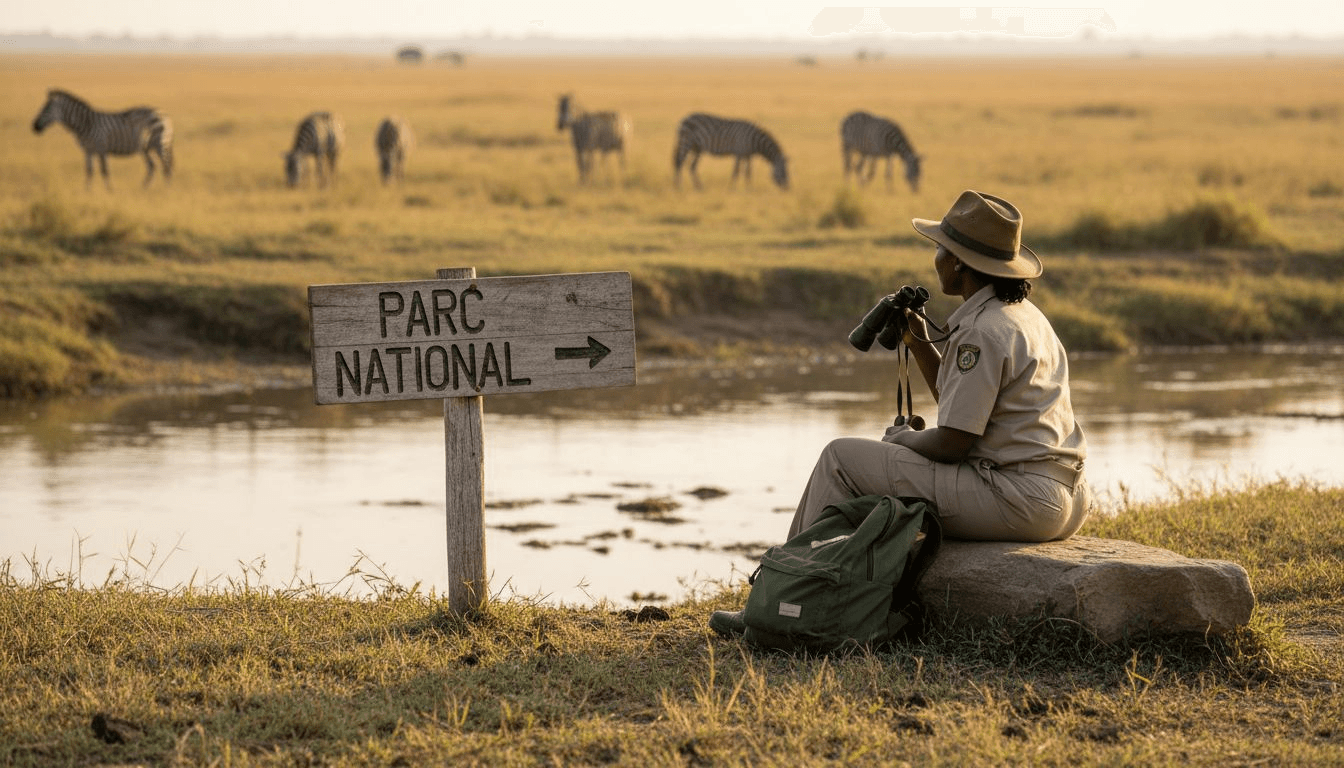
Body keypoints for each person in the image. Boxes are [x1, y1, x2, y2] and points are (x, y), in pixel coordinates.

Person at [711, 189, 1093, 636]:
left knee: (840, 457)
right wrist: (917, 342)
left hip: (1017, 498)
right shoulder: (1022, 316)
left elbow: (953, 442)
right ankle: (815, 589)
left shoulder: (981, 333)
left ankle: (781, 598)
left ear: (958, 263)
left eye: (940, 249)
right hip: (1063, 498)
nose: (935, 258)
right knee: (860, 458)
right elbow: (963, 404)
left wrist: (903, 440)